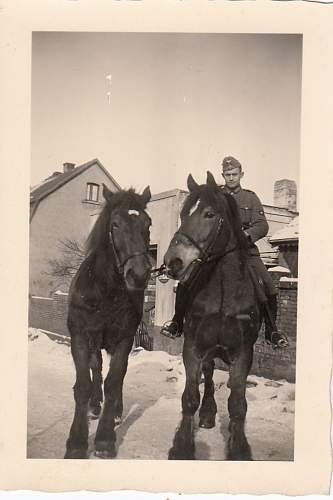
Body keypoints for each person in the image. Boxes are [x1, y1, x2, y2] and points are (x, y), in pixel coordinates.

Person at [160, 155, 288, 349]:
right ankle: (177, 322)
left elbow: (262, 225)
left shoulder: (250, 198)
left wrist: (245, 236)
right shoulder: (214, 196)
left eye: (234, 174)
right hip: (214, 252)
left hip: (245, 251)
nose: (231, 178)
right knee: (187, 280)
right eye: (227, 174)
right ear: (223, 175)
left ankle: (272, 330)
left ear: (241, 174)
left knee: (268, 285)